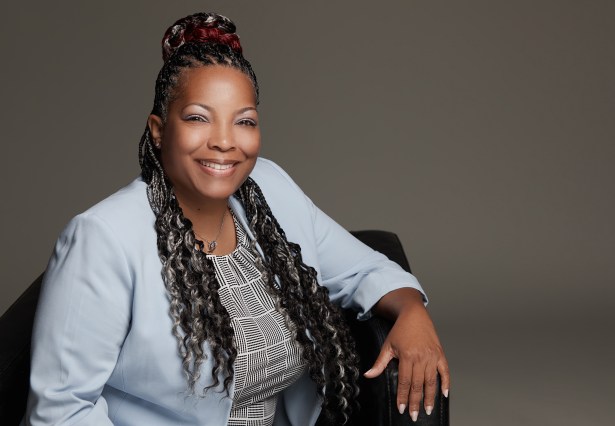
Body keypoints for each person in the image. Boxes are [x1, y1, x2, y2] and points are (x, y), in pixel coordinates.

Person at [23, 12, 449, 426]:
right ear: (158, 129)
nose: (225, 141)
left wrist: (413, 313)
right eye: (197, 118)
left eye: (243, 121)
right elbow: (62, 412)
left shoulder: (271, 188)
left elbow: (365, 269)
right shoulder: (103, 238)